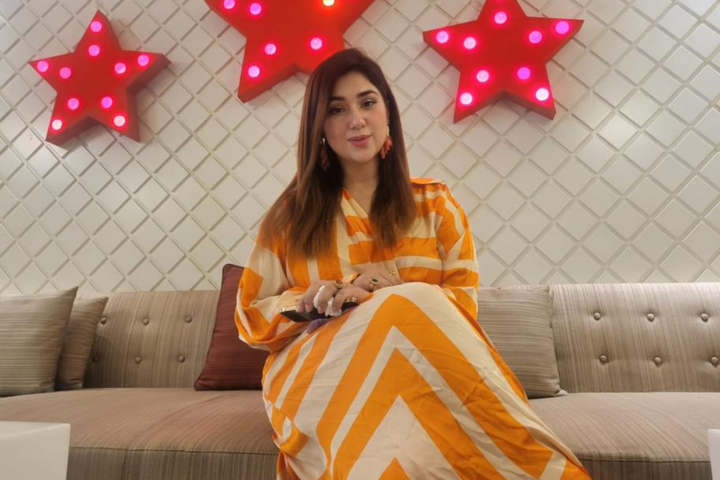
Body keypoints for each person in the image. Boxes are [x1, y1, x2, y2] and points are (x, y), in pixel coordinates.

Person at [236, 48, 592, 480]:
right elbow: (251, 316)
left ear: (388, 112)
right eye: (336, 109)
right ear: (319, 126)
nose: (356, 120)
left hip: (428, 370)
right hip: (321, 375)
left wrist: (388, 296)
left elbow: (461, 311)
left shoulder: (435, 204)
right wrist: (314, 300)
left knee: (413, 312)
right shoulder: (291, 216)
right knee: (409, 307)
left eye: (367, 102)